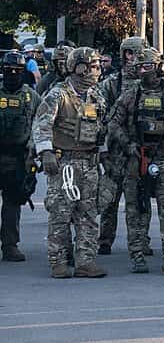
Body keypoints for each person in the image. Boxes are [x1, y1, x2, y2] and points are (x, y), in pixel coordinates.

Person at [106, 48, 164, 275]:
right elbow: (113, 123)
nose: (142, 71)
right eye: (139, 66)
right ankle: (137, 255)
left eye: (146, 66)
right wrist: (128, 145)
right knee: (136, 210)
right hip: (138, 160)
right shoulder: (129, 95)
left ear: (157, 67)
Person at [33, 47, 109, 278]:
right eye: (94, 66)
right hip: (64, 162)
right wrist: (46, 153)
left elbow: (101, 130)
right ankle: (58, 261)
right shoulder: (59, 94)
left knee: (88, 213)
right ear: (80, 68)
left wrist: (104, 155)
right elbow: (42, 124)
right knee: (60, 213)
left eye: (99, 66)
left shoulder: (96, 97)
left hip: (89, 162)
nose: (97, 71)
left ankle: (85, 261)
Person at [96, 36, 146, 256]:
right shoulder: (111, 84)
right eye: (131, 53)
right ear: (125, 54)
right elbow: (99, 119)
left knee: (139, 200)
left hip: (138, 151)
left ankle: (140, 241)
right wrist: (103, 150)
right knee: (109, 199)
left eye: (139, 54)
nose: (135, 59)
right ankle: (105, 239)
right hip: (115, 151)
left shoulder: (150, 85)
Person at [0, 50, 37, 262]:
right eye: (9, 70)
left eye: (17, 71)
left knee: (13, 203)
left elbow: (40, 124)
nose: (13, 74)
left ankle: (9, 245)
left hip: (17, 159)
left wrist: (35, 153)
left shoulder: (31, 97)